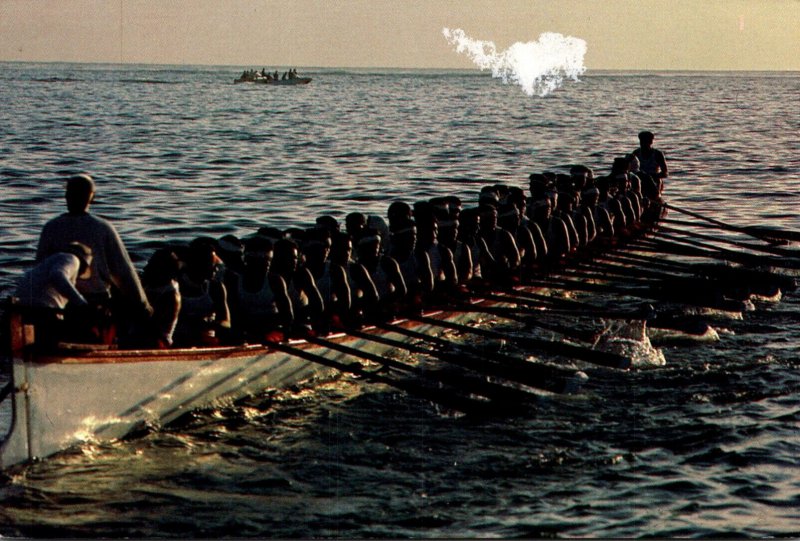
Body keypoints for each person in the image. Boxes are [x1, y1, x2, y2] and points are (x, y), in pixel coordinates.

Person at [36, 174, 152, 319]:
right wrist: (142, 304)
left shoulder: (51, 227)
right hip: (96, 302)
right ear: (92, 197)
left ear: (66, 196)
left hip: (61, 301)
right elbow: (123, 271)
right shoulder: (102, 227)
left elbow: (40, 268)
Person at [15, 241, 94, 346]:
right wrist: (82, 303)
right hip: (43, 314)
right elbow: (57, 275)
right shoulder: (73, 259)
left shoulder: (45, 265)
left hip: (21, 311)